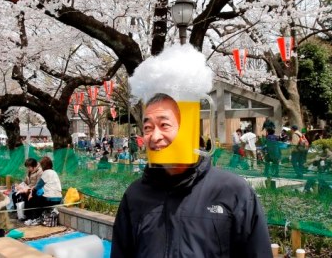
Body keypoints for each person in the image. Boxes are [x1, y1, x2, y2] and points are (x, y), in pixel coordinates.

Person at [111, 93, 272, 257]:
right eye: (147, 128)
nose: (155, 136)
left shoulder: (233, 192)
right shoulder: (135, 195)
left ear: (188, 128)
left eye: (164, 125)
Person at [23, 156, 63, 225]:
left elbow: (37, 187)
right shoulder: (54, 172)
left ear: (43, 166)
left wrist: (30, 193)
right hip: (59, 198)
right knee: (36, 196)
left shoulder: (46, 173)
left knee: (33, 198)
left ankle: (33, 218)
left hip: (50, 199)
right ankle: (36, 217)